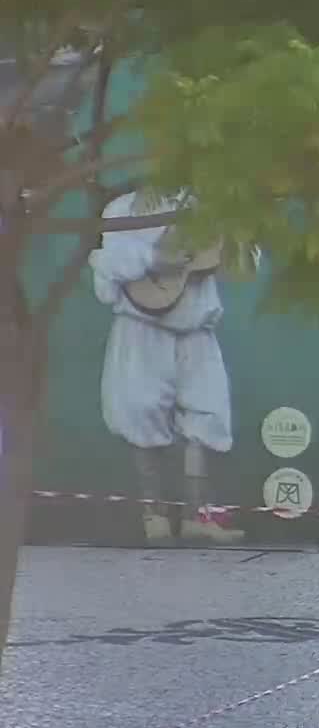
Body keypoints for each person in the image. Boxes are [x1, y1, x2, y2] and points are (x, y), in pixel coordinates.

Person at [87, 191, 245, 545]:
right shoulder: (122, 209)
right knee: (139, 411)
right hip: (139, 326)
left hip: (196, 329)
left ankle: (196, 517)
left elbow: (240, 266)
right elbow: (108, 267)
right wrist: (154, 259)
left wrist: (237, 236)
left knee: (208, 413)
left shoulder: (208, 204)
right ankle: (153, 516)